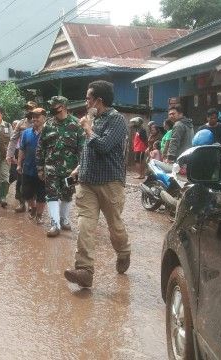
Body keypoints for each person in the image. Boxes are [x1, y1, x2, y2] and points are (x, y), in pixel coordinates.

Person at [63, 80, 130, 288]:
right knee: (85, 225)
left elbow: (103, 146)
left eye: (88, 98)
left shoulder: (117, 120)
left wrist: (88, 130)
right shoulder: (92, 120)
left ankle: (123, 251)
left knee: (115, 227)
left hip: (110, 183)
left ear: (98, 100)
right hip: (87, 182)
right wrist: (78, 169)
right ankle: (84, 270)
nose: (85, 102)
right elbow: (89, 151)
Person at [36, 96, 84, 236]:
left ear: (62, 106)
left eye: (54, 105)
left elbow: (82, 149)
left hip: (71, 171)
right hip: (51, 168)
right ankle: (54, 224)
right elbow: (40, 147)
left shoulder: (77, 125)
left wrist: (80, 168)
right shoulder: (48, 125)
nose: (51, 108)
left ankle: (64, 219)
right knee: (51, 194)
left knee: (67, 195)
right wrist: (40, 168)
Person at [17, 108, 47, 224]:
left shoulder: (48, 133)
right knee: (26, 192)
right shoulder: (26, 133)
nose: (34, 119)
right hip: (28, 168)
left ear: (44, 118)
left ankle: (39, 215)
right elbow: (22, 149)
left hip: (43, 170)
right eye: (33, 116)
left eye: (37, 116)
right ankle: (33, 207)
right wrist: (19, 164)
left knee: (41, 194)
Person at [7, 101, 38, 212]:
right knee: (20, 181)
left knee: (35, 180)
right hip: (22, 156)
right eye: (27, 109)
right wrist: (9, 155)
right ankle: (21, 203)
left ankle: (32, 203)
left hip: (37, 157)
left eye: (31, 108)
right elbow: (13, 139)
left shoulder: (41, 123)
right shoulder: (21, 123)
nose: (28, 111)